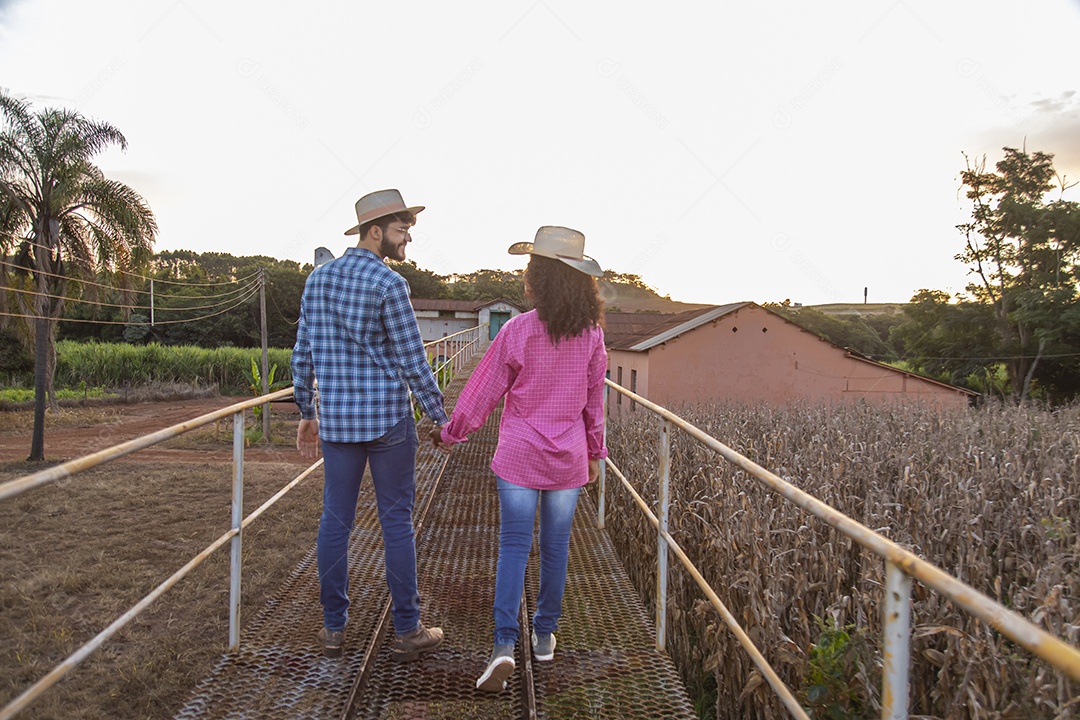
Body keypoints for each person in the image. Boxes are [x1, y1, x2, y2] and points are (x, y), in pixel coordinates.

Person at [431, 225, 607, 692]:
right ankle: (544, 635)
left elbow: (483, 390)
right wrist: (595, 452)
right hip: (567, 458)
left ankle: (504, 645)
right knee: (556, 547)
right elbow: (595, 401)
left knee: (513, 548)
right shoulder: (592, 336)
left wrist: (452, 432)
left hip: (519, 457)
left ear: (541, 280)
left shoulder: (516, 330)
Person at [292, 188, 448, 661]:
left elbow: (302, 353)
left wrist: (306, 412)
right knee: (396, 522)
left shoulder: (317, 281)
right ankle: (407, 630)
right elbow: (412, 360)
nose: (407, 241)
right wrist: (441, 417)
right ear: (375, 231)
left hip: (337, 423)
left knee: (334, 522)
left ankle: (334, 630)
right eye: (402, 232)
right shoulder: (388, 284)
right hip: (386, 423)